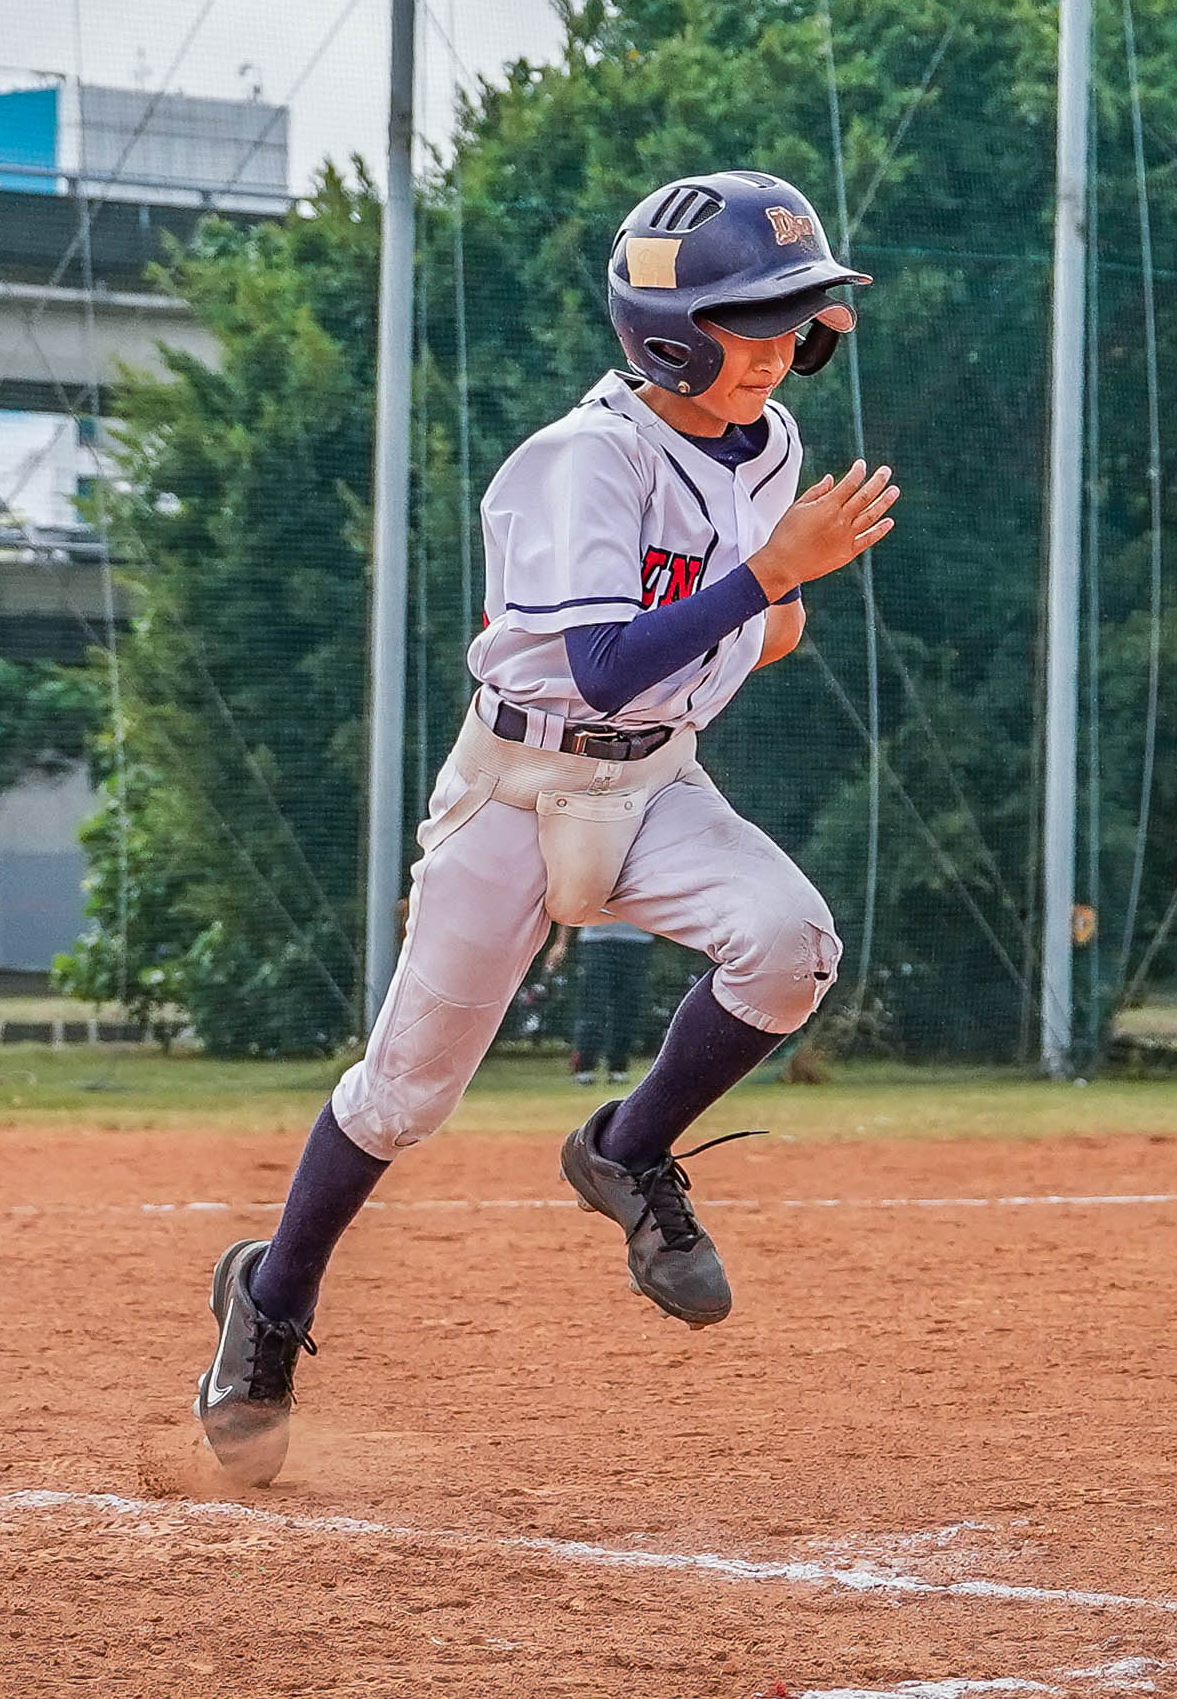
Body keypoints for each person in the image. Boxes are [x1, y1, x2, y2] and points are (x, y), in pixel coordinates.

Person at [196, 169, 898, 1485]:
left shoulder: (771, 445)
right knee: (404, 1096)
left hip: (656, 782)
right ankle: (270, 1300)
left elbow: (733, 631)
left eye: (792, 320)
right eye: (751, 321)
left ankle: (625, 1150)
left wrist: (762, 608)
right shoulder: (584, 459)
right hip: (517, 789)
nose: (778, 348)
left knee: (790, 946)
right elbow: (602, 666)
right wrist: (770, 576)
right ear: (668, 334)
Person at [550, 920, 657, 1085]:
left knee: (628, 1008)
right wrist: (560, 942)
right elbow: (571, 905)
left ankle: (618, 1068)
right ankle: (584, 1067)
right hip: (596, 942)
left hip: (637, 943)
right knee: (592, 1006)